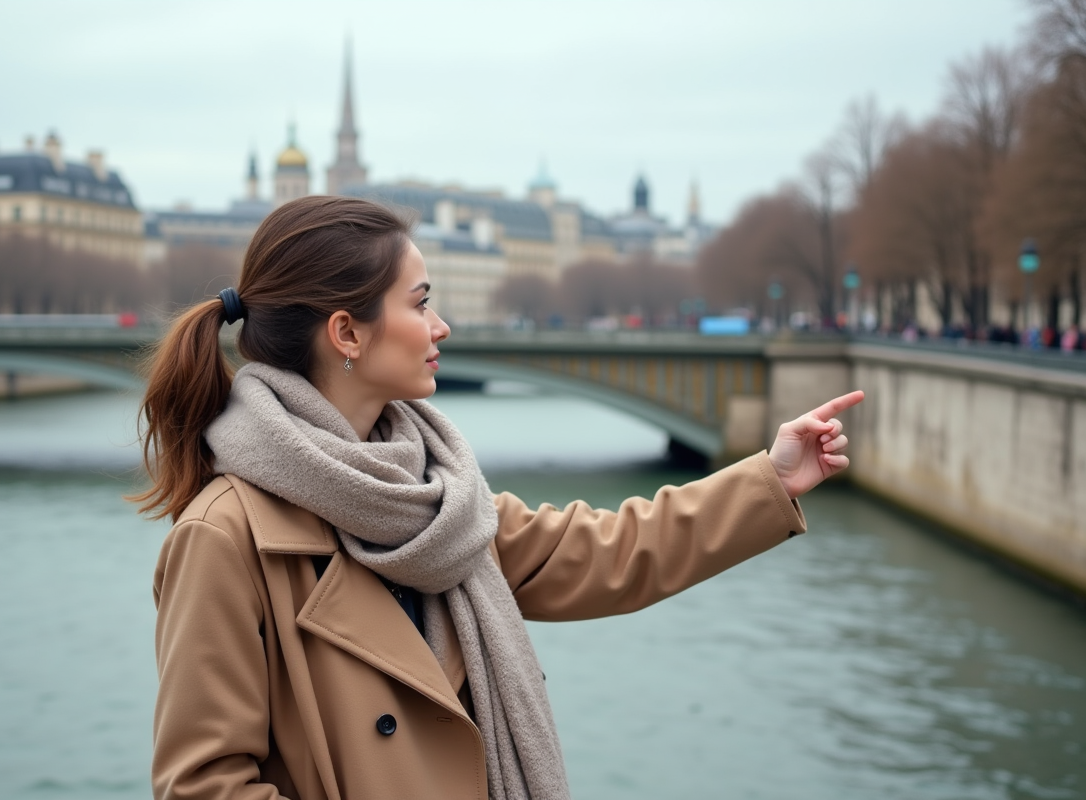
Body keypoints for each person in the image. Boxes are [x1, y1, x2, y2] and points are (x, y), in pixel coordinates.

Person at [133, 196, 864, 800]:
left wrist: (770, 479)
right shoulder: (224, 537)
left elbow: (609, 550)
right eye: (421, 303)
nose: (442, 326)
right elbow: (204, 787)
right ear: (347, 332)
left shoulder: (437, 495)